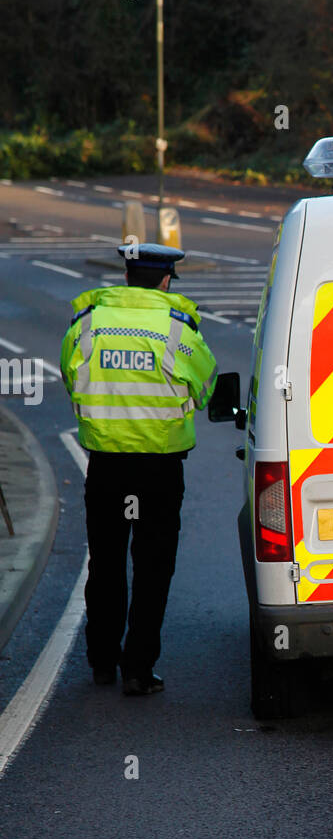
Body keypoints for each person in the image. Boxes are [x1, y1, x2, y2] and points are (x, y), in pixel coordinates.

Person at [60, 243, 217, 696]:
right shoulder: (177, 330)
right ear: (166, 280)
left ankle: (102, 662)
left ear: (128, 278)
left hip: (106, 466)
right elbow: (205, 387)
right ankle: (137, 669)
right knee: (152, 569)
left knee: (106, 564)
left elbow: (73, 380)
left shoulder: (87, 323)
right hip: (159, 469)